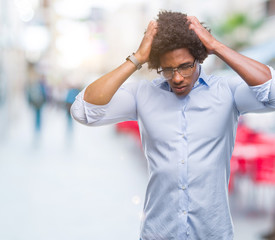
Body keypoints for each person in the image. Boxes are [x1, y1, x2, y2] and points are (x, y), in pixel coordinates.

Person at [70, 11, 275, 240]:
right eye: (168, 69)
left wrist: (216, 46)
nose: (177, 77)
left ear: (199, 57)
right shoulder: (143, 94)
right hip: (158, 233)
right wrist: (137, 58)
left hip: (212, 234)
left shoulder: (227, 91)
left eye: (185, 66)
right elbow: (83, 111)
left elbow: (272, 93)